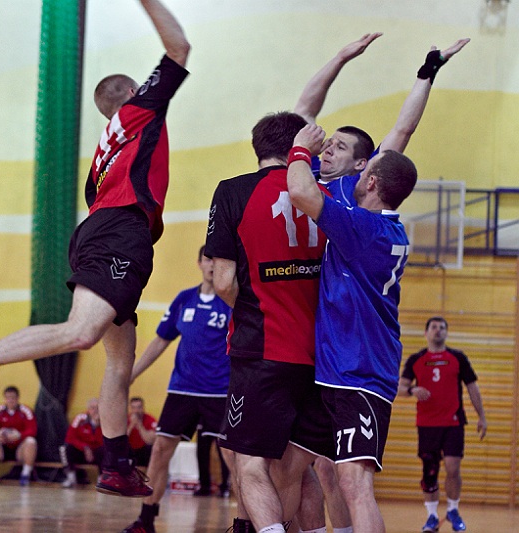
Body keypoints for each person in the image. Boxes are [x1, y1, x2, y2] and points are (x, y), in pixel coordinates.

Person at [0, 0, 190, 498]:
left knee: (119, 362)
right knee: (81, 333)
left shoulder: (103, 157)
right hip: (120, 232)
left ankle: (116, 463)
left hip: (109, 231)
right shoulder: (140, 111)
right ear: (132, 93)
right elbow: (178, 47)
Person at [287, 123, 418, 532]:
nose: (357, 177)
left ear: (372, 181)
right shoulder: (384, 227)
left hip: (360, 374)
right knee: (292, 464)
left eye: (366, 171)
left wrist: (299, 149)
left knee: (354, 484)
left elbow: (302, 192)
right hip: (333, 372)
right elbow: (401, 132)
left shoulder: (363, 228)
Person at [205, 112, 332, 533]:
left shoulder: (234, 191)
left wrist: (250, 308)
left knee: (250, 463)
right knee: (296, 469)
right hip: (321, 355)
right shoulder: (324, 194)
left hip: (261, 349)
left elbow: (223, 281)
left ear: (257, 146)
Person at [122, 246, 233, 533]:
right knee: (160, 451)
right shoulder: (184, 300)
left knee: (233, 458)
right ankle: (146, 519)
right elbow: (161, 340)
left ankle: (245, 523)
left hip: (219, 392)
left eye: (217, 260)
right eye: (207, 259)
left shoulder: (232, 302)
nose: (212, 265)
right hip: (182, 390)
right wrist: (131, 373)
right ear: (199, 263)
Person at [294, 35, 469, 204]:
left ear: (360, 164)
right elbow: (304, 110)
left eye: (340, 147)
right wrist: (340, 59)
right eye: (330, 143)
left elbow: (403, 129)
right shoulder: (306, 170)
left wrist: (429, 70)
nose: (328, 150)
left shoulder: (356, 187)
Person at [398, 316, 487, 532]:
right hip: (427, 424)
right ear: (426, 333)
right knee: (430, 471)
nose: (438, 330)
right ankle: (431, 516)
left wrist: (482, 416)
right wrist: (412, 390)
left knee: (452, 467)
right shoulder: (416, 359)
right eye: (434, 327)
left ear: (446, 333)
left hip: (453, 422)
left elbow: (472, 387)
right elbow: (399, 388)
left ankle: (453, 510)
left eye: (442, 327)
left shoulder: (458, 358)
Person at [0, 386, 37, 486]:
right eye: (8, 398)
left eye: (13, 398)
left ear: (17, 398)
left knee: (31, 441)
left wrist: (19, 435)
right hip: (1, 449)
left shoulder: (25, 411)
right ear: (5, 399)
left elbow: (33, 430)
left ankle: (26, 474)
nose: (10, 400)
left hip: (19, 449)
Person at [61, 398, 104, 488]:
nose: (95, 411)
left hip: (96, 453)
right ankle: (71, 478)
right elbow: (70, 437)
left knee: (106, 450)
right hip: (82, 452)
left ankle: (102, 479)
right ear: (88, 409)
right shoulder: (80, 419)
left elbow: (105, 442)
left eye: (98, 408)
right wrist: (85, 447)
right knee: (66, 448)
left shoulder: (106, 421)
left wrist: (98, 425)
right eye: (92, 408)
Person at [127, 397, 156, 468]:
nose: (136, 411)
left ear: (143, 408)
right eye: (133, 408)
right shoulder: (125, 419)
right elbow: (121, 440)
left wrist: (139, 426)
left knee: (150, 448)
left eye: (139, 407)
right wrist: (131, 425)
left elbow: (150, 441)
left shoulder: (150, 419)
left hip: (144, 451)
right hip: (129, 450)